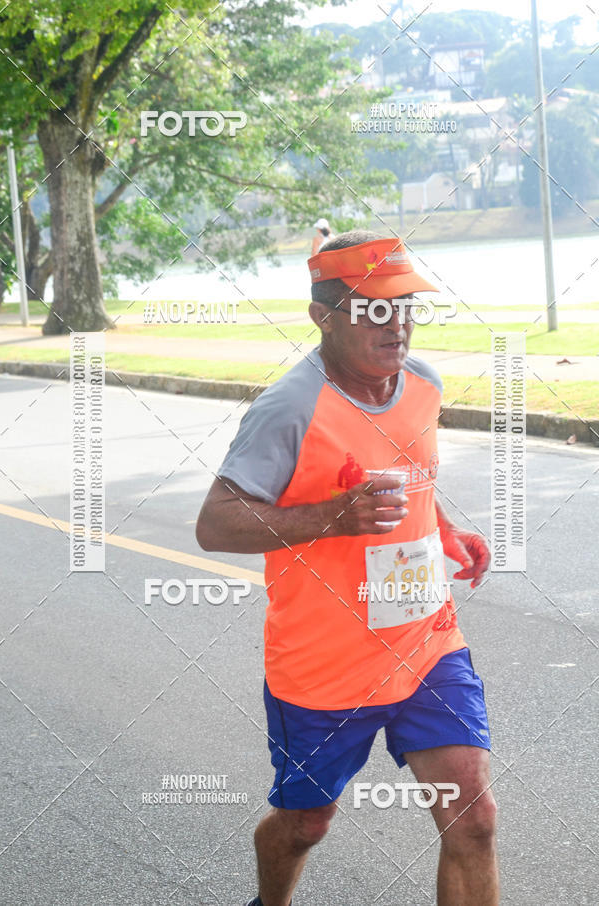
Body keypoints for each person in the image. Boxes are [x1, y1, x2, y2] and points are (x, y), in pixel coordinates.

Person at [196, 230, 498, 906]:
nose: (397, 324)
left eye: (405, 306)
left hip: (425, 642)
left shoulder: (423, 385)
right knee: (306, 823)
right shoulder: (290, 409)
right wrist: (334, 518)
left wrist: (446, 530)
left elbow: (409, 474)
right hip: (324, 666)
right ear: (322, 317)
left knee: (473, 818)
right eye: (374, 309)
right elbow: (215, 524)